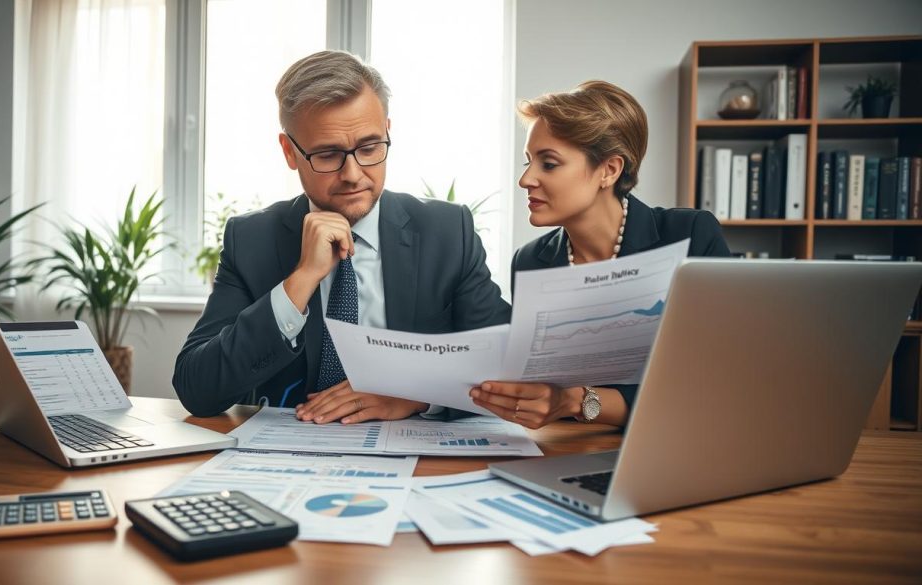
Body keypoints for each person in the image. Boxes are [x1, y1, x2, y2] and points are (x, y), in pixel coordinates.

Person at [173, 50, 510, 422]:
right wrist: (299, 281)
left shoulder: (446, 232)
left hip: (413, 458)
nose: (353, 173)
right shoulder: (252, 239)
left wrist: (415, 396)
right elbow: (197, 390)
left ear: (387, 132)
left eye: (369, 148)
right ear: (289, 151)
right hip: (288, 459)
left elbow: (505, 367)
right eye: (329, 154)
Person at [470, 80, 730, 429]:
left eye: (548, 164)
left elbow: (717, 381)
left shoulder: (691, 236)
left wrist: (578, 400)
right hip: (565, 447)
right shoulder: (530, 261)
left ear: (609, 170)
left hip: (681, 441)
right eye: (528, 161)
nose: (526, 180)